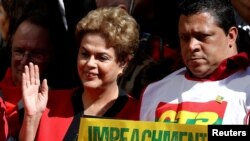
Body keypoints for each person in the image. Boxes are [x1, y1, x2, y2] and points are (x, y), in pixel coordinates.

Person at [19, 7, 140, 141]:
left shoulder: (138, 114)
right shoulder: (47, 105)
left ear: (123, 62)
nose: (90, 63)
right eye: (85, 54)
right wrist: (31, 119)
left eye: (102, 57)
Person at [139, 0, 250, 125]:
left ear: (231, 36)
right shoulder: (153, 92)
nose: (192, 46)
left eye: (202, 36)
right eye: (184, 38)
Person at [0, 9, 66, 139]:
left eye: (36, 54)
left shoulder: (60, 109)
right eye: (19, 51)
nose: (24, 61)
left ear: (52, 56)